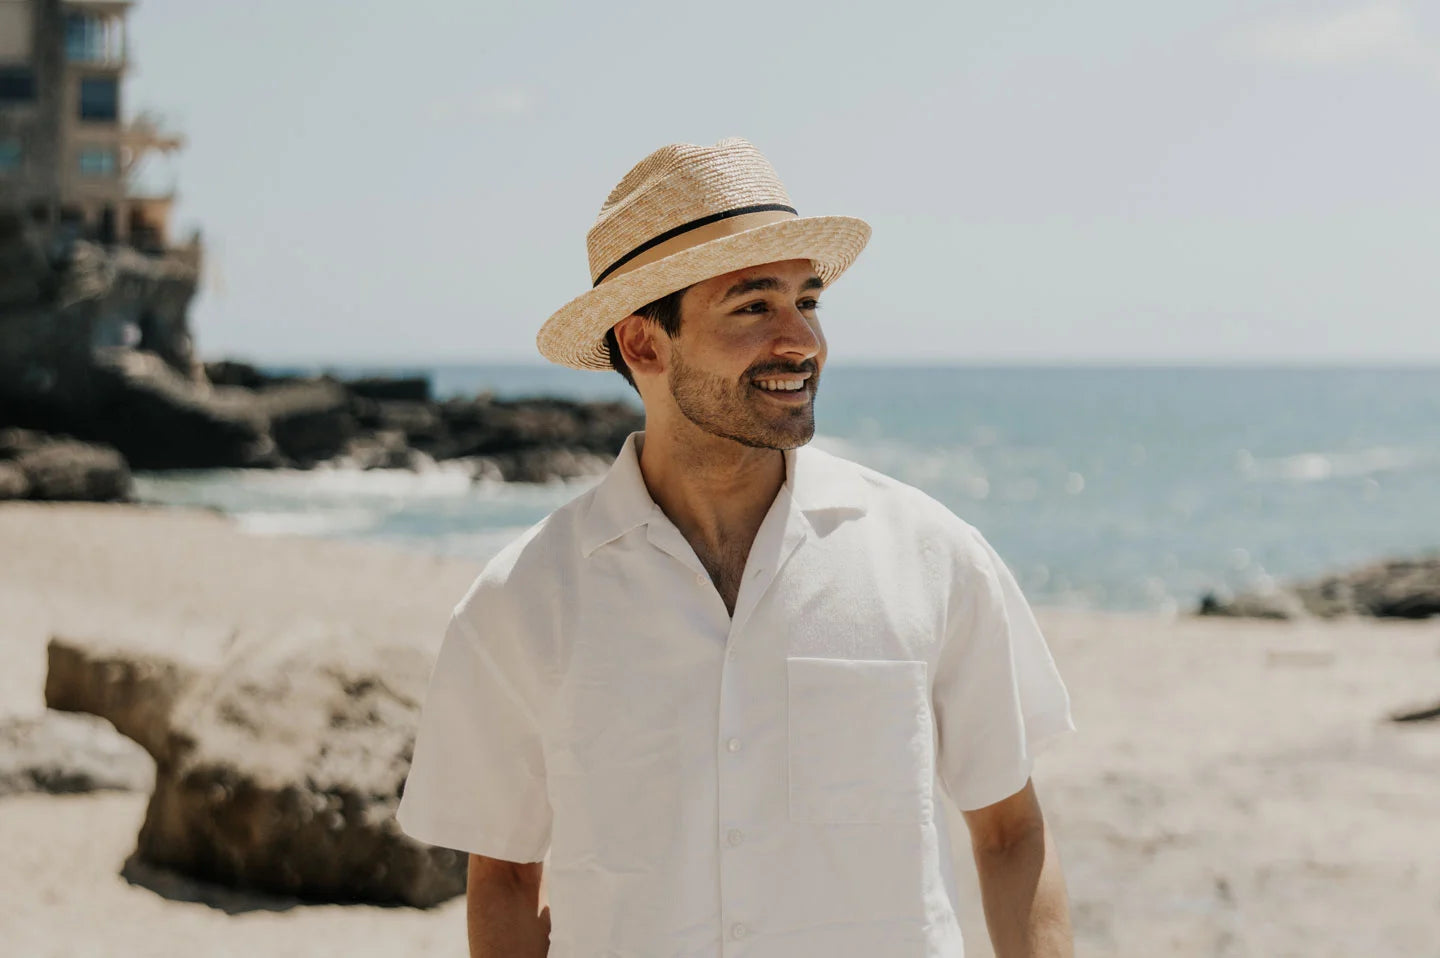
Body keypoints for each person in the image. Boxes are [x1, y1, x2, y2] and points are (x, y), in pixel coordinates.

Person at [397, 137, 1077, 957]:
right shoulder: (524, 598)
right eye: (754, 306)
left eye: (809, 302)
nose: (803, 341)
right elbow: (505, 878)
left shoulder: (930, 557)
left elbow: (1010, 832)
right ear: (645, 343)